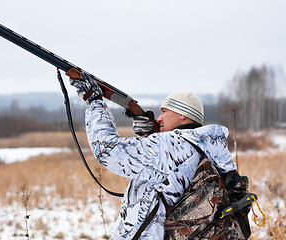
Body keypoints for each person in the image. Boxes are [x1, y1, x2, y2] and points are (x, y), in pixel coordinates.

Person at [69, 72, 237, 239]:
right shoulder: (203, 146)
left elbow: (107, 150)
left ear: (182, 114)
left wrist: (94, 100)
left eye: (164, 112)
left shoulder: (173, 144)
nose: (159, 117)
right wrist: (150, 137)